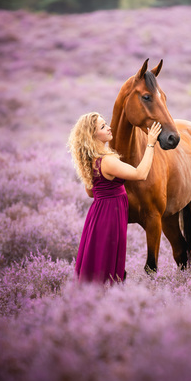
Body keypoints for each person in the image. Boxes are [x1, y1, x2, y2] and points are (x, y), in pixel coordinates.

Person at [67, 112, 161, 284]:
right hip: (111, 215)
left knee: (97, 258)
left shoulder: (91, 160)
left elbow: (91, 193)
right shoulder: (107, 161)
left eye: (106, 123)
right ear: (92, 136)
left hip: (97, 215)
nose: (109, 128)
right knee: (108, 260)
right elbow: (140, 174)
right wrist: (150, 144)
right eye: (103, 127)